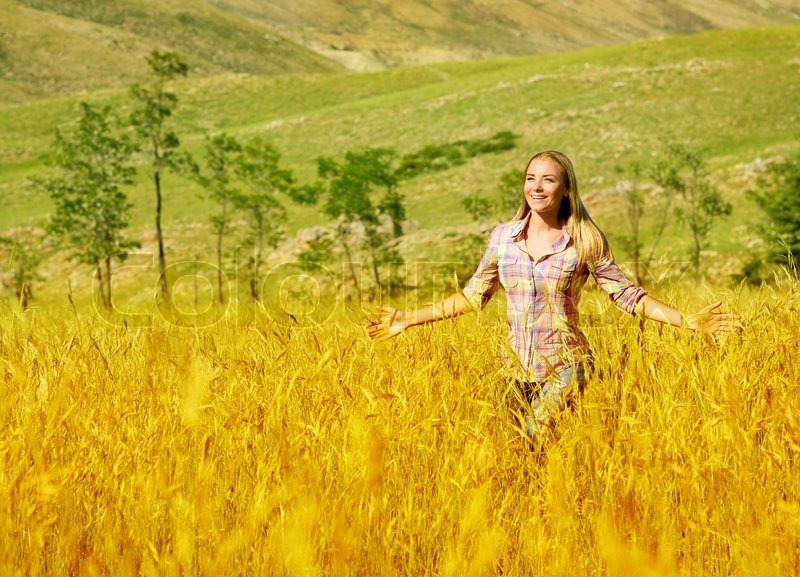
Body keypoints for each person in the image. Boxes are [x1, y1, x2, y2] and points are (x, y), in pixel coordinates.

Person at [366, 150, 741, 445]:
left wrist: (687, 321)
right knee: (518, 450)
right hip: (513, 370)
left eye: (548, 180)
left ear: (566, 189)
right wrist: (407, 319)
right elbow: (471, 297)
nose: (537, 187)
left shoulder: (585, 240)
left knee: (534, 435)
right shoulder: (503, 238)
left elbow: (627, 295)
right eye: (531, 179)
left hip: (566, 365)